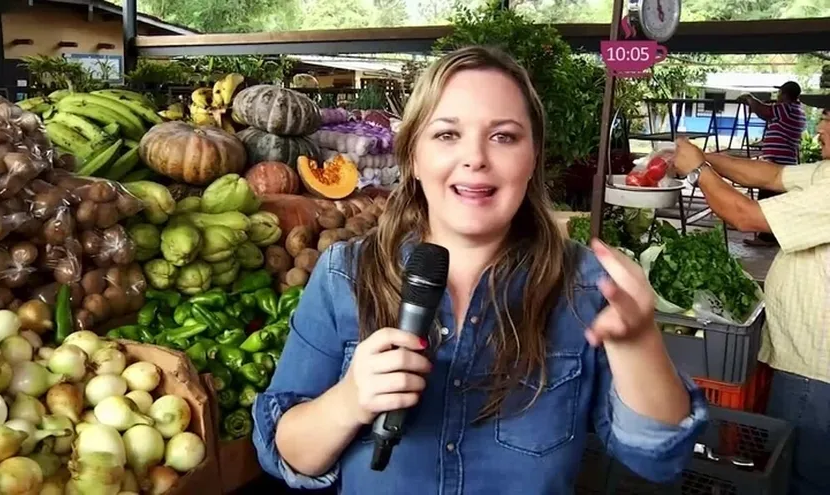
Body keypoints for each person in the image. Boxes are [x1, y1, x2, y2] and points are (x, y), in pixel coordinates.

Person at [251, 46, 707, 494]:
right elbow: (284, 453)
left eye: (504, 136)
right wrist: (349, 400)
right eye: (447, 134)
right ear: (412, 157)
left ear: (533, 160)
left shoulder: (585, 284)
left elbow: (660, 459)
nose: (475, 158)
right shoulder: (345, 275)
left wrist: (639, 341)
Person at [674, 102, 830, 495]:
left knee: (800, 474)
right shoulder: (825, 172)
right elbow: (773, 174)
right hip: (802, 359)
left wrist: (697, 171)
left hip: (815, 370)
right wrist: (705, 156)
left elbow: (746, 215)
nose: (820, 130)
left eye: (828, 121)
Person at [738, 81, 807, 246]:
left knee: (768, 201)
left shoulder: (787, 108)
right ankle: (774, 235)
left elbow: (764, 111)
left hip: (777, 162)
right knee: (775, 199)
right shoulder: (796, 110)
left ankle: (767, 237)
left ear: (784, 95)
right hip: (783, 160)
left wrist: (749, 98)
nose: (777, 97)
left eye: (779, 94)